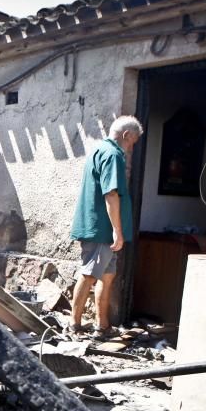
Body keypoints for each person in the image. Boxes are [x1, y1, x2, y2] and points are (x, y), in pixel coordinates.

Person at [69, 115, 143, 337]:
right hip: (102, 229)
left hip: (101, 227)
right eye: (132, 143)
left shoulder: (99, 149)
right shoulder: (113, 155)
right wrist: (117, 231)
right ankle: (74, 324)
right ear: (126, 135)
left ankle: (102, 326)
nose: (131, 148)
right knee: (90, 274)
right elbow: (111, 194)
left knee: (107, 276)